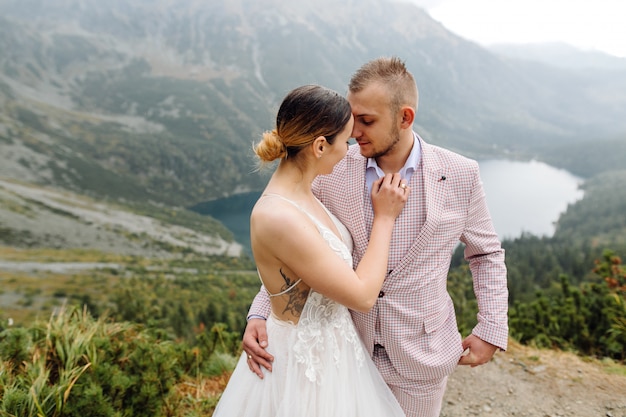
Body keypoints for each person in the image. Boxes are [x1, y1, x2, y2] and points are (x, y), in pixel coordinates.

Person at [243, 57, 509, 417]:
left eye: (367, 121)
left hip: (420, 359)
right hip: (344, 353)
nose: (354, 132)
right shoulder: (330, 170)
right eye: (352, 120)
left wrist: (491, 326)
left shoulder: (460, 174)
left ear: (405, 118)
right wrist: (260, 313)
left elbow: (486, 254)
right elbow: (298, 250)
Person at [212, 84, 409, 416]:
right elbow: (361, 296)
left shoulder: (306, 190)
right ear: (320, 145)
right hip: (303, 366)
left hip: (337, 350)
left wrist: (258, 312)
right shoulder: (277, 216)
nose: (350, 150)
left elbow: (295, 274)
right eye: (344, 141)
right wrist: (385, 218)